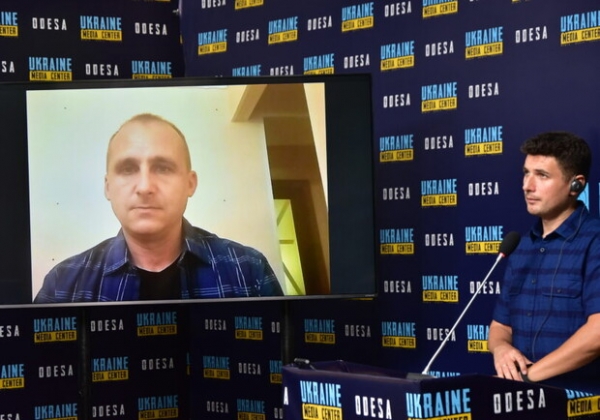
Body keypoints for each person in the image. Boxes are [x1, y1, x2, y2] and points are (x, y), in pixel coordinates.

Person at [34, 113, 283, 302]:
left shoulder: (249, 270)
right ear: (108, 187)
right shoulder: (62, 284)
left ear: (190, 183)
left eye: (163, 168)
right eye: (128, 169)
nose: (145, 187)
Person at [488, 131, 600, 393]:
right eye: (526, 173)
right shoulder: (521, 246)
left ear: (576, 185)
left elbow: (597, 333)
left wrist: (530, 376)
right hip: (523, 400)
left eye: (542, 175)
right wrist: (501, 349)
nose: (527, 186)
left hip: (581, 402)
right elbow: (500, 326)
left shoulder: (594, 241)